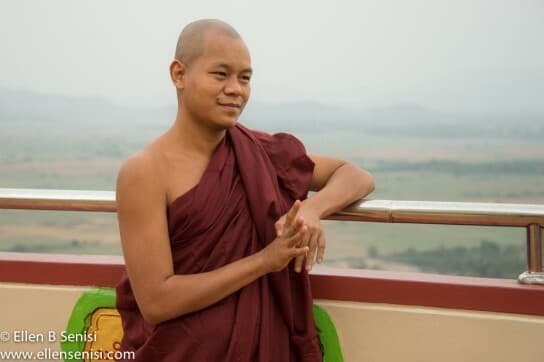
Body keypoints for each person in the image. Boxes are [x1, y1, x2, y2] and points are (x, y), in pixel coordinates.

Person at [115, 19, 375, 361]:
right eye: (220, 75)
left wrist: (312, 209)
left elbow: (355, 176)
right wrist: (265, 261)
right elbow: (157, 302)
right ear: (179, 74)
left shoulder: (260, 153)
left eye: (245, 78)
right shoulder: (145, 171)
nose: (236, 89)